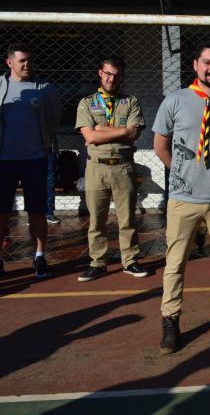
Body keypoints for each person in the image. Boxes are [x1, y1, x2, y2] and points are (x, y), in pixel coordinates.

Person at [153, 41, 210, 354]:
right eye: (207, 62)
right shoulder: (175, 99)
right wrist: (177, 174)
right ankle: (170, 320)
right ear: (195, 65)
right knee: (175, 264)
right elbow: (160, 145)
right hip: (183, 200)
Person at [75, 57, 151, 281]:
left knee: (127, 219)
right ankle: (98, 262)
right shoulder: (87, 103)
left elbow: (134, 133)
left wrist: (100, 129)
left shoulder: (130, 102)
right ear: (100, 73)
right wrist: (121, 131)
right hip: (96, 169)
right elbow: (89, 135)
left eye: (116, 75)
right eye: (108, 73)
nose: (112, 78)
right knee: (97, 221)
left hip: (123, 167)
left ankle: (130, 260)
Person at [0, 44, 59, 278]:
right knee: (1, 211)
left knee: (37, 211)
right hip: (4, 161)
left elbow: (54, 120)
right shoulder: (0, 87)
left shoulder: (44, 89)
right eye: (22, 61)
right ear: (9, 63)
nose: (27, 65)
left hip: (36, 159)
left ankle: (39, 257)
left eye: (29, 60)